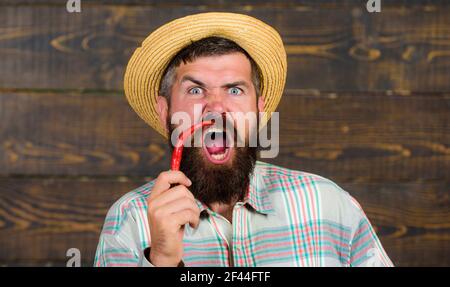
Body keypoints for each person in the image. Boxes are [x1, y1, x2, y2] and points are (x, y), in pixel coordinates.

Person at [94, 12, 393, 267]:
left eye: (235, 90)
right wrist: (161, 259)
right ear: (165, 111)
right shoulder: (131, 219)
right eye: (196, 90)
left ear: (259, 110)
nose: (216, 106)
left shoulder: (329, 204)